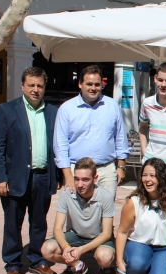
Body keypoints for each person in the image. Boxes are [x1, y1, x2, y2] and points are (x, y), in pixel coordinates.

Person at [0, 67, 61, 274]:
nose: (35, 89)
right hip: (15, 178)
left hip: (43, 176)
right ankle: (12, 265)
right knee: (13, 223)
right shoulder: (6, 110)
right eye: (31, 85)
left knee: (39, 223)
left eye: (39, 85)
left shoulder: (53, 112)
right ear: (22, 86)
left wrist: (58, 175)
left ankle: (36, 260)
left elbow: (58, 145)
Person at [54, 65, 130, 199]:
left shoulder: (112, 106)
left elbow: (120, 138)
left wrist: (121, 167)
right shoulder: (66, 109)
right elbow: (60, 144)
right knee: (77, 210)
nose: (93, 88)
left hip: (106, 171)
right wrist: (68, 175)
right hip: (77, 172)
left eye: (97, 84)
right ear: (80, 84)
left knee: (106, 210)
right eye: (89, 84)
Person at [41, 157, 117, 274]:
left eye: (85, 180)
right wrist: (66, 247)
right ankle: (77, 265)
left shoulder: (106, 196)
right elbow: (57, 228)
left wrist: (81, 250)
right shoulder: (66, 193)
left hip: (99, 237)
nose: (80, 184)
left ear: (95, 178)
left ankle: (107, 270)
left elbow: (106, 233)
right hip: (75, 235)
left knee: (105, 258)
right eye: (76, 179)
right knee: (47, 250)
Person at [114, 158, 166, 274]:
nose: (147, 179)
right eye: (144, 175)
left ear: (162, 178)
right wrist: (119, 263)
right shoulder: (134, 202)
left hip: (165, 248)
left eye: (153, 175)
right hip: (139, 244)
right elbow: (122, 232)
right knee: (137, 265)